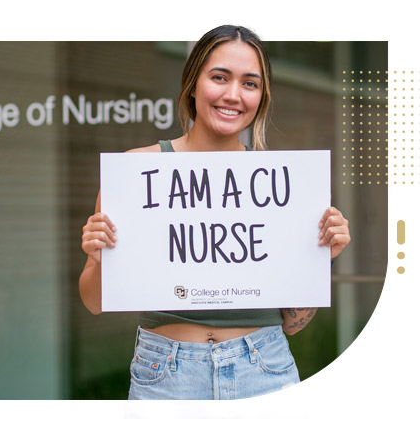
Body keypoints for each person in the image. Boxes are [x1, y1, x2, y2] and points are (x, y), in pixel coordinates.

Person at [79, 25, 351, 400]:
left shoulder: (282, 185)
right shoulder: (136, 172)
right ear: (193, 83)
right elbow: (94, 302)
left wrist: (322, 258)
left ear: (262, 96)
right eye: (219, 77)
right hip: (165, 375)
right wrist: (99, 258)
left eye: (250, 83)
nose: (233, 95)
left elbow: (293, 324)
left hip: (264, 368)